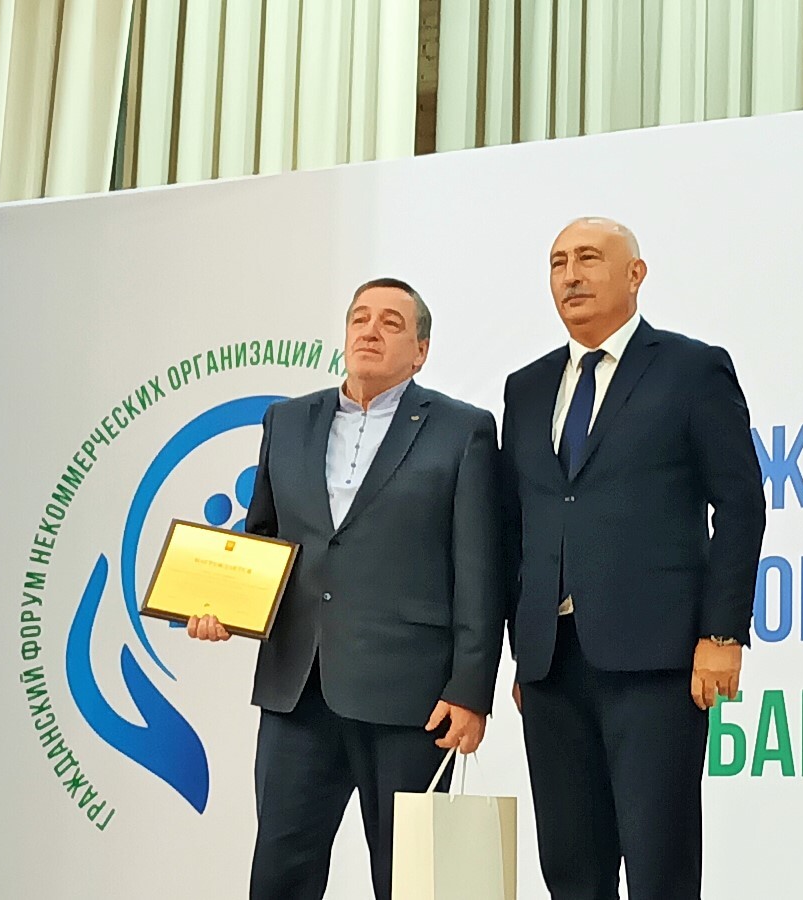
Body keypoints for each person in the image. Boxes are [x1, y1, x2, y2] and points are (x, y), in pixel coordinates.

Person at [188, 277, 506, 900]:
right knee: (279, 876)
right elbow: (263, 539)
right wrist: (224, 607)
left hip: (412, 700)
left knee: (414, 884)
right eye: (360, 318)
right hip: (297, 692)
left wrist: (471, 690)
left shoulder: (462, 430)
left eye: (391, 322)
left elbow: (479, 569)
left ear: (421, 351)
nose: (370, 330)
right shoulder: (286, 420)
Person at [500, 218, 767, 900]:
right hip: (552, 664)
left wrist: (722, 634)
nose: (570, 275)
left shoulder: (691, 368)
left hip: (657, 661)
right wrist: (521, 647)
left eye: (588, 258)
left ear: (635, 274)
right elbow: (513, 525)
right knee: (570, 869)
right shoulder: (525, 388)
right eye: (557, 262)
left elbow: (740, 506)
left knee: (658, 865)